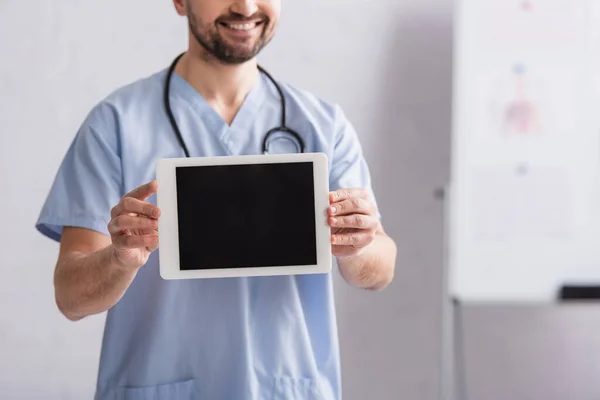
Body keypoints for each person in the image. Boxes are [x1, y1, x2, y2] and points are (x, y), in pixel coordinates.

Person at [35, 0, 397, 399]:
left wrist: (357, 246)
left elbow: (380, 269)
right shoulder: (115, 124)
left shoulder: (323, 125)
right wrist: (119, 259)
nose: (244, 6)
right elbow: (70, 298)